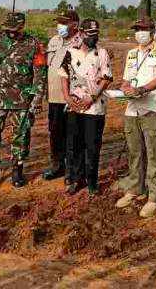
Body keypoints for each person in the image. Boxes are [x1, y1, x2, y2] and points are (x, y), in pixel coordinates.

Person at [0, 12, 47, 188]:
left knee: (21, 135)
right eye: (7, 30)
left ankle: (17, 169)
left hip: (22, 99)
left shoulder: (34, 44)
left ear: (22, 27)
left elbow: (40, 74)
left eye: (14, 30)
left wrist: (37, 98)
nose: (10, 33)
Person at [115, 17, 156, 218]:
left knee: (154, 153)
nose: (140, 33)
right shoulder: (132, 54)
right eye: (137, 29)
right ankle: (135, 189)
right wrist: (124, 89)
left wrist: (142, 89)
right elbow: (125, 79)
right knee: (135, 152)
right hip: (132, 109)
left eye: (143, 29)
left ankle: (155, 197)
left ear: (152, 31)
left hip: (152, 108)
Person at [59, 19, 112, 197]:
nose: (93, 37)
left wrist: (93, 96)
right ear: (81, 33)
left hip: (94, 108)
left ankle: (92, 183)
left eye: (95, 34)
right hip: (74, 106)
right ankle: (76, 179)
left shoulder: (101, 53)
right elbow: (64, 76)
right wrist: (67, 97)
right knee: (74, 145)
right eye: (90, 34)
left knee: (92, 145)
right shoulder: (70, 53)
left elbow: (106, 78)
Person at [42, 9, 82, 181]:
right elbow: (47, 66)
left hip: (71, 96)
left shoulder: (81, 42)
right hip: (54, 95)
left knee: (72, 134)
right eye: (60, 22)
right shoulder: (54, 40)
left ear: (75, 24)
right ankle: (57, 165)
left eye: (65, 23)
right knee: (55, 132)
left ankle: (72, 169)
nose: (61, 26)